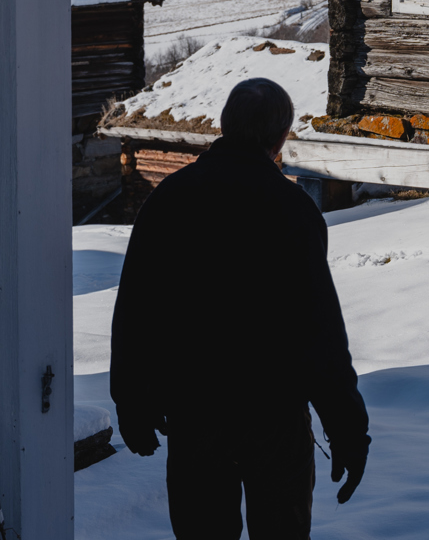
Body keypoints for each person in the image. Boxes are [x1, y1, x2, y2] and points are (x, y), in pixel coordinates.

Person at [111, 78, 370, 540]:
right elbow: (319, 331)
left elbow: (136, 308)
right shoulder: (291, 209)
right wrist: (347, 428)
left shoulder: (170, 199)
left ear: (225, 127)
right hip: (275, 419)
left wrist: (131, 398)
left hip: (195, 416)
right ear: (281, 138)